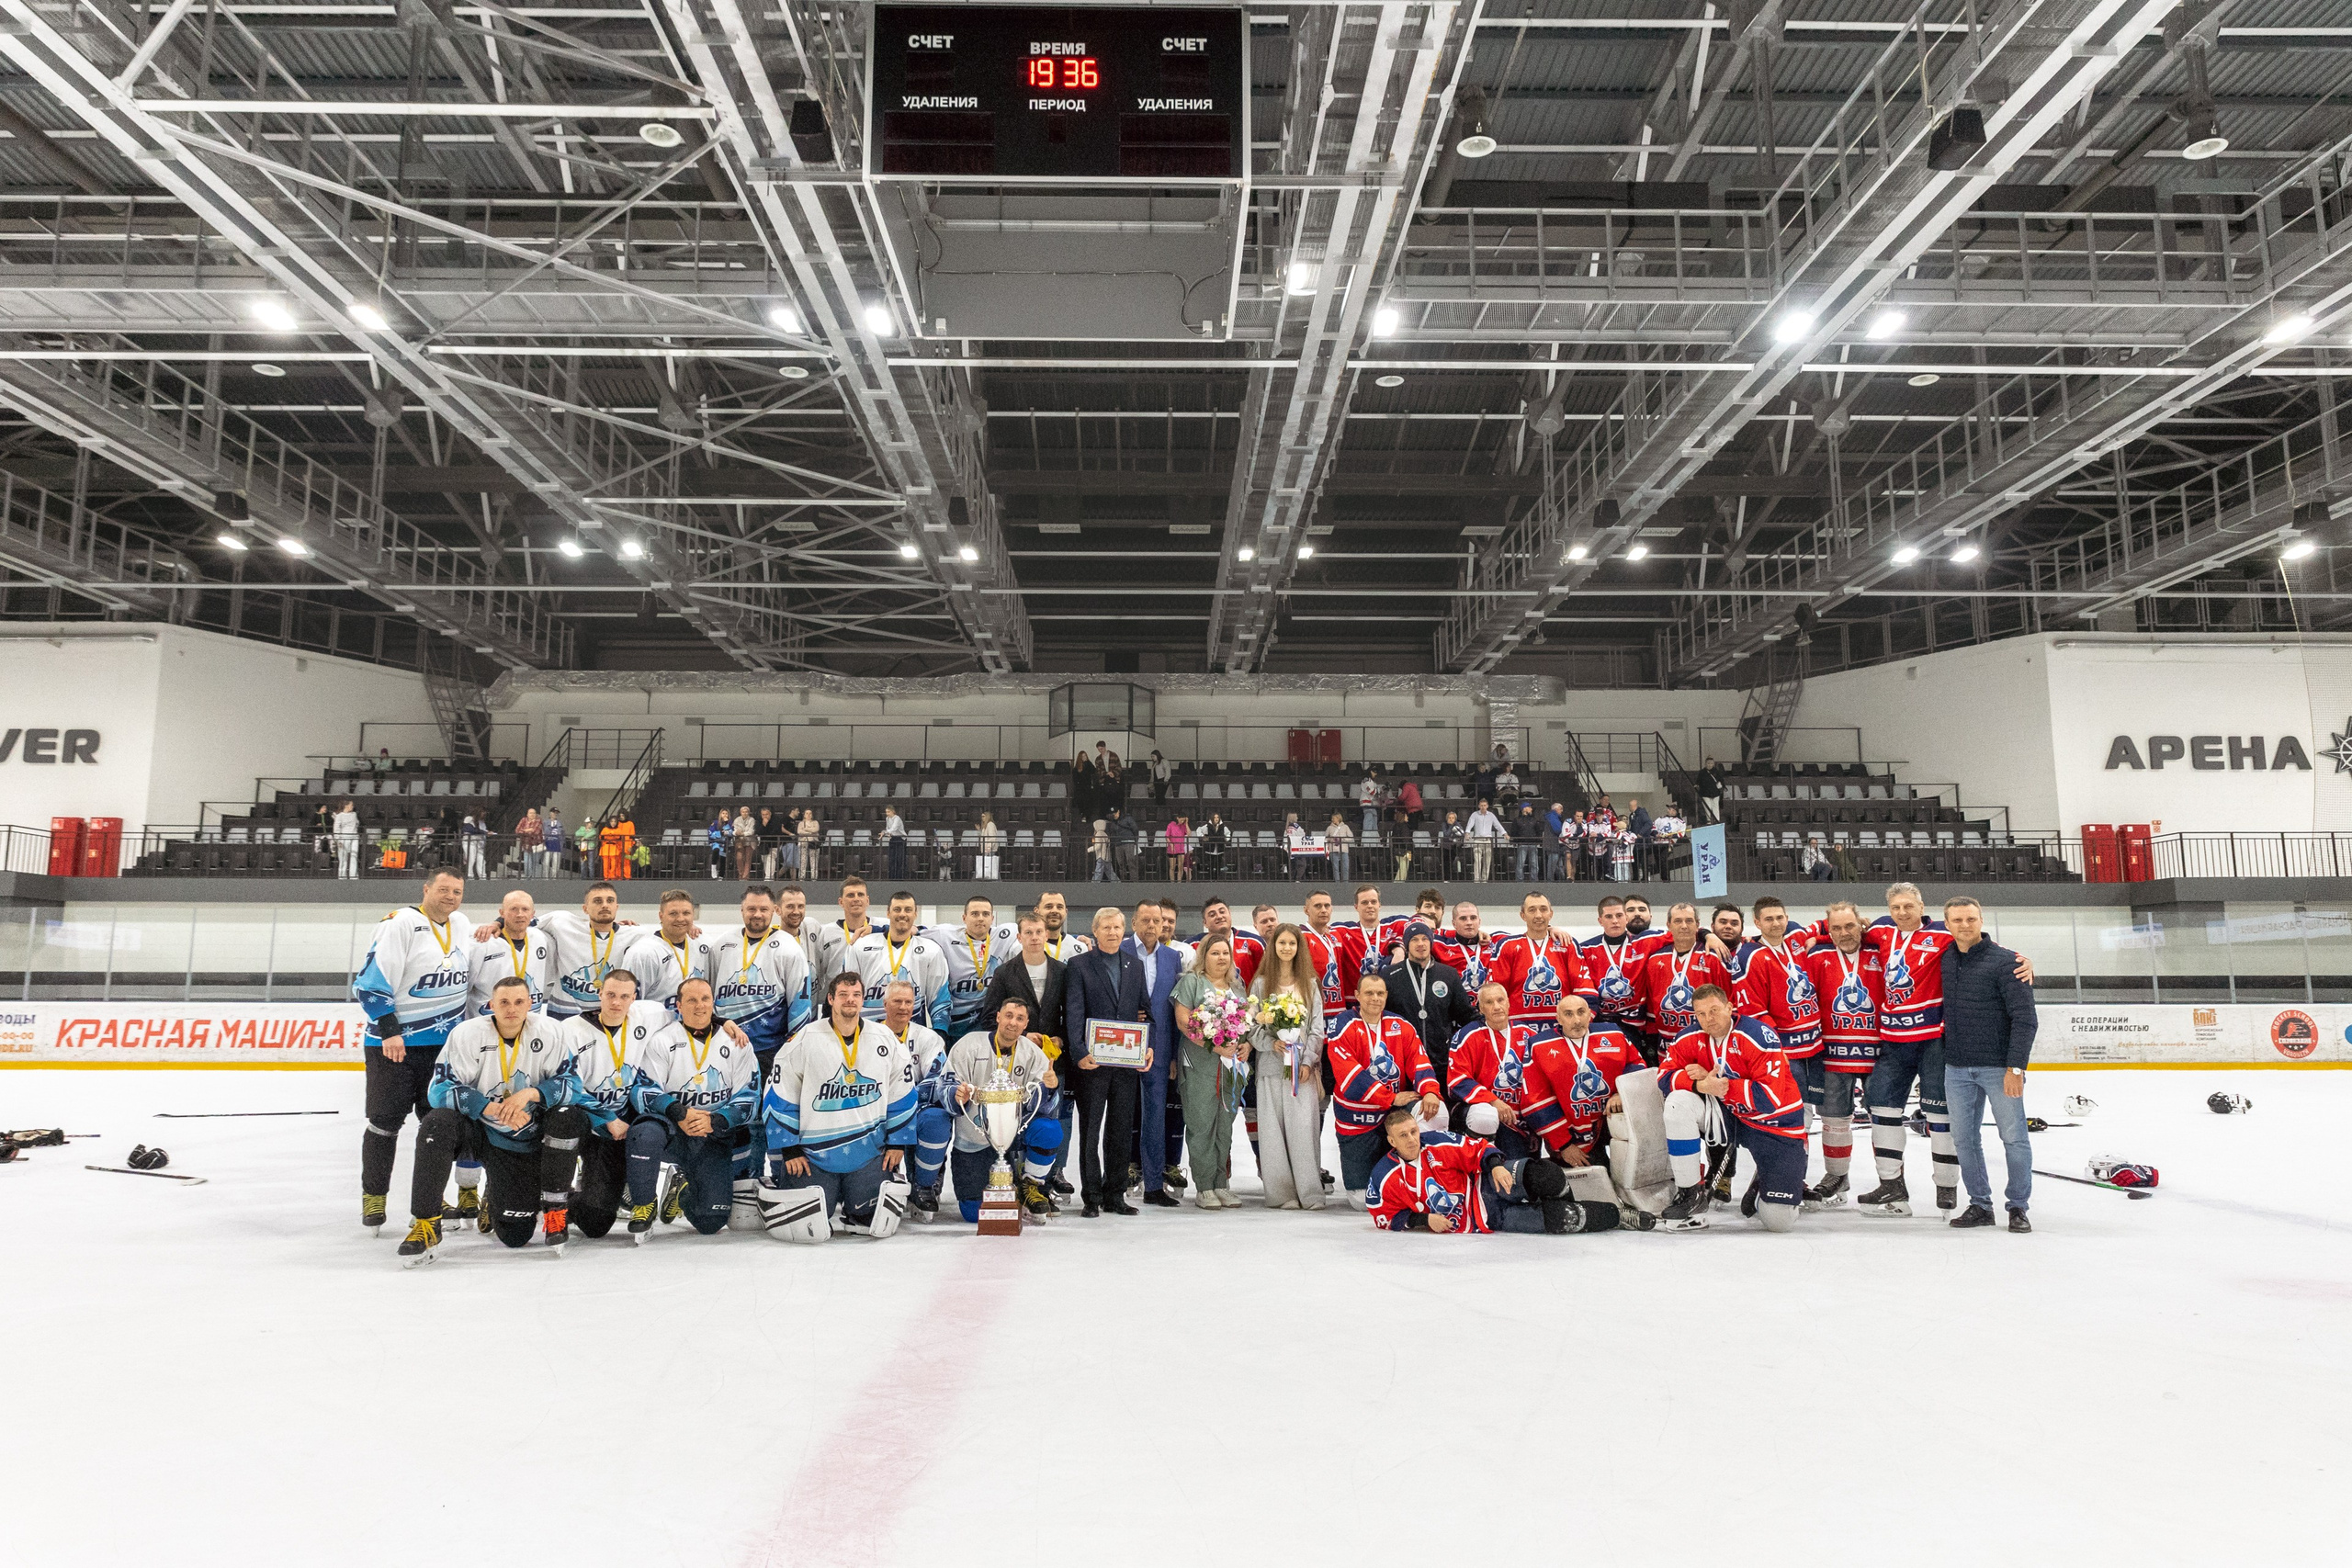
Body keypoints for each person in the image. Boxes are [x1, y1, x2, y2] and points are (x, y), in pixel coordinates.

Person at [398, 976, 572, 1263]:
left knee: (515, 1236)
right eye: (504, 1002)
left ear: (531, 1004)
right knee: (436, 1122)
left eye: (519, 1001)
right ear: (491, 1005)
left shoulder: (551, 1032)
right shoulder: (467, 1034)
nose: (511, 1008)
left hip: (523, 1138)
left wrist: (531, 1094)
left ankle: (495, 1193)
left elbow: (572, 1085)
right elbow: (438, 1090)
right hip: (479, 1132)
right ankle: (426, 1223)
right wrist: (489, 1108)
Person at [354, 869, 476, 1232]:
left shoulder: (462, 923)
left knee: (438, 1125)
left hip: (443, 1048)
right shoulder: (400, 923)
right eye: (443, 889)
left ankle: (431, 1199)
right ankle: (374, 1198)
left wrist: (499, 923)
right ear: (426, 889)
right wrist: (389, 1031)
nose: (450, 896)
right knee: (385, 1123)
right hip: (396, 1046)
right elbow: (370, 983)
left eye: (457, 891)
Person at [755, 972, 918, 1242]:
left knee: (870, 1217)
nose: (850, 1000)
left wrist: (898, 1142)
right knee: (807, 1223)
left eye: (856, 995)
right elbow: (779, 1091)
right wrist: (790, 1149)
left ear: (863, 1000)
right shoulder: (806, 1038)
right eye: (843, 995)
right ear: (830, 999)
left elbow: (903, 1089)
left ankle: (858, 1200)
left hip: (869, 1152)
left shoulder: (886, 1039)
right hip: (812, 1156)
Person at [1654, 984, 1805, 1232]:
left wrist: (1720, 1086)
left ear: (1729, 1007)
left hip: (1774, 1123)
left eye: (1714, 1010)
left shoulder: (1758, 1036)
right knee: (1678, 1103)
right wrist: (1699, 1084)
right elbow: (1663, 1077)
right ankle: (1690, 1194)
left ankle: (1764, 1181)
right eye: (1701, 1014)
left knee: (1779, 1222)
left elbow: (1769, 1098)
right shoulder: (1688, 1037)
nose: (1708, 1019)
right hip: (1729, 1115)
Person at [548, 967, 679, 1249]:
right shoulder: (570, 1030)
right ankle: (548, 1198)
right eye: (610, 995)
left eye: (624, 996)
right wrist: (606, 1117)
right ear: (599, 994)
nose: (616, 1002)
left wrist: (723, 1022)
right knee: (561, 1121)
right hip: (588, 1121)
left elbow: (692, 1013)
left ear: (634, 998)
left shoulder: (650, 1014)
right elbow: (568, 1084)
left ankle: (633, 1186)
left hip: (622, 1126)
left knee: (596, 1223)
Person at [630, 976, 762, 1237]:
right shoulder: (662, 1040)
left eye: (705, 999)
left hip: (712, 1132)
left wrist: (715, 1120)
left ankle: (681, 1189)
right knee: (644, 1133)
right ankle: (643, 1202)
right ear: (678, 1005)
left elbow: (750, 1098)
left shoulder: (736, 1042)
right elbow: (643, 1090)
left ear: (713, 1002)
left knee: (710, 1222)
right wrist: (679, 1113)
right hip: (674, 1127)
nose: (699, 1006)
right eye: (691, 1000)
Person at [1939, 897, 2039, 1232]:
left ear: (1981, 920)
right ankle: (1980, 1205)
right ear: (1947, 925)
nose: (1964, 925)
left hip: (1998, 1068)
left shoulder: (2007, 962)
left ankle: (2018, 1207)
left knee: (2014, 1138)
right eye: (1957, 920)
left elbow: (2025, 1019)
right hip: (1957, 1068)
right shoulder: (1944, 958)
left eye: (1971, 919)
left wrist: (2015, 1068)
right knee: (1964, 1140)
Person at [1366, 1107, 1623, 1236]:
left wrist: (1496, 1165)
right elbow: (1382, 1215)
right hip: (1488, 1218)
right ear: (1391, 1141)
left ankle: (1574, 1200)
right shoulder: (1383, 1176)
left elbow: (1477, 1148)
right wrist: (1424, 1220)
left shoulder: (1436, 1141)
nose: (1412, 1139)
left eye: (1414, 1131)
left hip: (1486, 1183)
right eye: (1403, 1135)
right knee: (1564, 1219)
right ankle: (1619, 1216)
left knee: (1547, 1175)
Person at [933, 994, 1062, 1222]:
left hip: (1015, 1135)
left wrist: (1049, 1088)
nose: (1013, 1022)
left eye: (1020, 1018)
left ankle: (1030, 1186)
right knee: (974, 1214)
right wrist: (957, 1094)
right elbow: (945, 1084)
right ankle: (1007, 1189)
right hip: (975, 1138)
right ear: (998, 1017)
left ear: (1026, 1024)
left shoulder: (1032, 1053)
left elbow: (1043, 1106)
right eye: (1009, 1016)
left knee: (1049, 1129)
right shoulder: (969, 1045)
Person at [1063, 907, 1152, 1217]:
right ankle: (1091, 1197)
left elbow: (1145, 1012)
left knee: (1120, 1130)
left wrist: (1148, 1047)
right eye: (1106, 927)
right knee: (1090, 1131)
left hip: (1126, 1064)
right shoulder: (1079, 965)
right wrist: (1078, 1052)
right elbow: (1074, 1011)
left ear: (1124, 930)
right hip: (1092, 1063)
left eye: (1117, 927)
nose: (1113, 932)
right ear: (1095, 930)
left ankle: (1115, 1194)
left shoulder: (1134, 965)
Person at [1799, 900, 1886, 1210]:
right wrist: (1819, 935)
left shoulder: (1881, 949)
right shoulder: (1817, 954)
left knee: (1884, 1119)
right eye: (1836, 928)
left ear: (1861, 924)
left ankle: (1891, 1181)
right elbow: (1788, 939)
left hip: (1879, 1051)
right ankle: (1837, 1176)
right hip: (1833, 1052)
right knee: (1833, 1119)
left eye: (1850, 926)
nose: (1844, 933)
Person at [1326, 973, 1441, 1207]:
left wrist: (1430, 1090)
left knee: (1434, 1110)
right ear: (1357, 995)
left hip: (1393, 1111)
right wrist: (1390, 1097)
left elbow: (1418, 1059)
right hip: (1359, 1117)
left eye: (1380, 993)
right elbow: (1348, 1074)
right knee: (1361, 1200)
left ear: (1386, 996)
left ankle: (1425, 1179)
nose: (1375, 998)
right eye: (1369, 993)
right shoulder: (1342, 1024)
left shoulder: (1400, 1024)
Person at [1250, 922, 1326, 1210]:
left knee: (1304, 1130)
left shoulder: (1310, 983)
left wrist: (1307, 1060)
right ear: (1274, 946)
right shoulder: (1261, 984)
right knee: (1272, 1132)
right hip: (1270, 1068)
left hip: (1301, 1072)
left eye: (1291, 943)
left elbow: (1317, 1028)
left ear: (1299, 948)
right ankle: (1281, 1194)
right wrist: (1271, 1044)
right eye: (1281, 943)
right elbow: (1251, 1026)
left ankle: (1310, 1192)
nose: (1286, 948)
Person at [1171, 933, 1249, 1210]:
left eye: (1225, 953)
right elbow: (1183, 1022)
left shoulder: (1237, 986)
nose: (1221, 958)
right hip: (1199, 1065)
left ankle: (1221, 1183)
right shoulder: (1191, 982)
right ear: (1203, 956)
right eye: (1215, 953)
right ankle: (1204, 1187)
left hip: (1231, 1068)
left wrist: (1247, 1046)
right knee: (1202, 1126)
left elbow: (1247, 1024)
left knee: (1224, 1128)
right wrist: (1214, 1047)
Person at [709, 883, 813, 1080]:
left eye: (763, 909)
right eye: (751, 909)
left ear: (774, 911)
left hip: (770, 1049)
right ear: (742, 910)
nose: (757, 914)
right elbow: (709, 993)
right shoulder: (722, 945)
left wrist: (793, 1046)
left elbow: (800, 1002)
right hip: (726, 1046)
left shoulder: (788, 947)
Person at [1123, 900, 1189, 1204]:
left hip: (1160, 1049)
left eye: (1157, 921)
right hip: (1122, 1047)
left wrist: (1174, 1054)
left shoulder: (1173, 958)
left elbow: (1174, 1010)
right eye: (1146, 920)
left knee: (1155, 1119)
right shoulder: (1119, 950)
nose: (1152, 925)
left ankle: (1153, 1187)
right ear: (1134, 923)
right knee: (1120, 1118)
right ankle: (1115, 1183)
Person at [525, 881, 638, 1019]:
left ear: (616, 907)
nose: (605, 905)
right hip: (564, 1013)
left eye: (610, 901)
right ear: (585, 908)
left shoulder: (634, 934)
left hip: (605, 1016)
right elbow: (523, 922)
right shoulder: (561, 922)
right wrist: (500, 923)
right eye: (597, 901)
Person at [1634, 902, 1736, 1049]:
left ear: (1697, 925)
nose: (1684, 926)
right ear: (1669, 925)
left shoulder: (1714, 958)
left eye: (1689, 921)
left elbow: (1729, 999)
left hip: (1706, 1039)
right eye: (1678, 921)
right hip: (1666, 1041)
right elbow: (1652, 1002)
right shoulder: (1655, 959)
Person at [1385, 922, 1477, 1089]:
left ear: (1431, 942)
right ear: (1406, 945)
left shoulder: (1448, 974)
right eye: (1414, 940)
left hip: (1440, 1060)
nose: (1420, 944)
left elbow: (1464, 1014)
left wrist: (1489, 1022)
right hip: (1403, 1062)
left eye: (1424, 939)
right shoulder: (1390, 975)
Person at [847, 889, 952, 1032]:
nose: (902, 914)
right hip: (867, 1033)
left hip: (912, 1035)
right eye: (897, 909)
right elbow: (847, 991)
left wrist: (940, 1032)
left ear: (915, 914)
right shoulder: (860, 946)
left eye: (908, 910)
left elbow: (939, 998)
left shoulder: (931, 950)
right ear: (888, 913)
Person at [1487, 893, 1592, 1029]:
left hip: (1561, 1027)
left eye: (1543, 909)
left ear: (1551, 914)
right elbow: (1495, 992)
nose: (1538, 915)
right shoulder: (1507, 946)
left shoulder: (1567, 944)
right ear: (1523, 915)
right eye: (1532, 910)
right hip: (1518, 1027)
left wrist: (1581, 1022)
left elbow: (1583, 989)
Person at [623, 887, 717, 1011]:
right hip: (658, 1022)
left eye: (686, 913)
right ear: (661, 916)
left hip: (695, 1021)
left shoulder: (704, 945)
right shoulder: (643, 953)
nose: (680, 919)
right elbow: (630, 1003)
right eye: (673, 914)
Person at [468, 889, 556, 1014]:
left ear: (533, 914)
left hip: (529, 1020)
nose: (520, 914)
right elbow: (465, 987)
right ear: (502, 913)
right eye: (513, 909)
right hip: (487, 1020)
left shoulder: (541, 939)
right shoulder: (482, 942)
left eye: (525, 909)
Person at [936, 895, 1010, 1041]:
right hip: (956, 1021)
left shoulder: (1005, 934)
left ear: (992, 919)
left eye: (985, 914)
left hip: (988, 1021)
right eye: (975, 914)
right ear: (964, 918)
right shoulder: (944, 934)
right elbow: (912, 931)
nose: (980, 918)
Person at [1464, 799, 1504, 883]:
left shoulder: (1491, 815)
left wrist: (1504, 833)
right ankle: (1477, 879)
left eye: (1484, 805)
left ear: (1487, 806)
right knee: (1477, 861)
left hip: (1487, 840)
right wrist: (1467, 833)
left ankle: (1484, 879)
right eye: (1481, 805)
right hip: (1477, 840)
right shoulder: (1474, 815)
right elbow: (1470, 824)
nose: (1483, 807)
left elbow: (1498, 825)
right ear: (1479, 806)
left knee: (1487, 861)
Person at [1510, 800, 1544, 881]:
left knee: (1534, 864)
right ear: (1524, 809)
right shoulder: (1517, 820)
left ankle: (1533, 880)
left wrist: (1538, 839)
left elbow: (1538, 831)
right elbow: (1513, 832)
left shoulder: (1534, 819)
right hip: (1522, 844)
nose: (1531, 809)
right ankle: (1520, 880)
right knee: (1521, 864)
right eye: (1529, 807)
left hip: (1532, 844)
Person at [1623, 797, 1653, 881]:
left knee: (1643, 861)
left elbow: (1649, 823)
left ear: (1633, 806)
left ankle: (1645, 877)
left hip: (1642, 842)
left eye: (1630, 806)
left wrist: (1641, 833)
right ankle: (1636, 877)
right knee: (1635, 860)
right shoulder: (1632, 815)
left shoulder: (1641, 813)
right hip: (1635, 842)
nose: (1629, 807)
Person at [332, 798, 361, 880]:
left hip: (354, 838)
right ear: (346, 805)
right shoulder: (339, 816)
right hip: (344, 838)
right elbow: (336, 829)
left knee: (354, 857)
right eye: (351, 805)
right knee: (343, 859)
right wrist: (337, 840)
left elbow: (357, 823)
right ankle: (342, 877)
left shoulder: (354, 814)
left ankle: (353, 877)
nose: (353, 806)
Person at [1195, 811, 1230, 879]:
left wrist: (1226, 839)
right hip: (1210, 848)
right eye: (1214, 817)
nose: (1216, 819)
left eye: (1217, 817)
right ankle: (1210, 878)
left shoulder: (1223, 827)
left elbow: (1228, 834)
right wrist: (1203, 836)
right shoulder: (1207, 826)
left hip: (1219, 848)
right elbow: (1199, 830)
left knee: (1218, 864)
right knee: (1210, 865)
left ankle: (1217, 878)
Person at [1542, 800, 1568, 882]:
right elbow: (1558, 830)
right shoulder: (1553, 817)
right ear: (1556, 809)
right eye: (1561, 809)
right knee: (1553, 864)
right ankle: (1551, 880)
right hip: (1553, 844)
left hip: (1552, 844)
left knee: (1558, 865)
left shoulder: (1551, 817)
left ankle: (1561, 880)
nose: (1562, 811)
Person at [1357, 767, 1385, 845]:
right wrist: (1379, 790)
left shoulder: (1372, 781)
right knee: (1368, 819)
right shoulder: (1366, 780)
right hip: (1366, 803)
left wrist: (1382, 790)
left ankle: (1375, 837)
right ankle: (1367, 837)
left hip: (1372, 803)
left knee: (1374, 820)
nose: (1375, 774)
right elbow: (1372, 791)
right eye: (1374, 772)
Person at [1324, 810, 1354, 881]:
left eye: (1334, 818)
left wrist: (1342, 840)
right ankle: (1337, 882)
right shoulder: (1329, 828)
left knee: (1345, 867)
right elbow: (1325, 838)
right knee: (1335, 867)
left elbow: (1351, 837)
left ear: (1338, 818)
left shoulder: (1345, 827)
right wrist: (1331, 840)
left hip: (1343, 849)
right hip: (1333, 849)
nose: (1332, 820)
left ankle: (1345, 882)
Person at [731, 806, 759, 881]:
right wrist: (736, 833)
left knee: (748, 859)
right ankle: (741, 874)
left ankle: (745, 877)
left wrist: (742, 833)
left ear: (749, 812)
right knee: (739, 858)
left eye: (746, 812)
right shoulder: (737, 819)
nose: (745, 813)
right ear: (740, 812)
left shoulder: (752, 820)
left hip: (749, 841)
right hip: (740, 841)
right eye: (743, 812)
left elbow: (751, 831)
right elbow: (734, 830)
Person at [516, 807, 544, 878]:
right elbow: (517, 830)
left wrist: (524, 831)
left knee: (535, 863)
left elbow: (535, 832)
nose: (532, 814)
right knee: (527, 863)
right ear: (527, 814)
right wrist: (529, 830)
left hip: (536, 845)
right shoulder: (523, 820)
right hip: (526, 845)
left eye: (534, 813)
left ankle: (534, 879)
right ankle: (528, 878)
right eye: (530, 813)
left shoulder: (539, 820)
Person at [460, 813, 489, 880]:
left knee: (481, 860)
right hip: (470, 842)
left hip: (479, 843)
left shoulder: (482, 822)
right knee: (471, 858)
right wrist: (484, 832)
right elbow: (470, 829)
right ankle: (470, 876)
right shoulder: (469, 819)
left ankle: (483, 877)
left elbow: (480, 831)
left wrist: (486, 833)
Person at [976, 810, 1004, 879]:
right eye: (981, 816)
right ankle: (989, 877)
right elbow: (984, 836)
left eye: (983, 816)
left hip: (989, 849)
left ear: (987, 817)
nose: (982, 818)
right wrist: (979, 830)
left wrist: (989, 847)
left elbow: (992, 837)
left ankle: (991, 878)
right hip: (986, 848)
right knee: (988, 864)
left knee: (989, 864)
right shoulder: (986, 826)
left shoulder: (990, 824)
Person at [797, 807, 821, 880]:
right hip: (803, 843)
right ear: (804, 815)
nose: (808, 815)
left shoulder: (815, 822)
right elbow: (799, 831)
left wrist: (805, 829)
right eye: (807, 813)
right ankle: (801, 878)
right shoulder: (801, 823)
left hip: (813, 843)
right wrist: (811, 833)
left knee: (814, 862)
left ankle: (814, 878)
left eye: (810, 813)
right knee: (803, 862)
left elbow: (816, 829)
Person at [1164, 813, 1190, 882]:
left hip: (1181, 849)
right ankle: (1172, 882)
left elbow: (1189, 834)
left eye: (1183, 820)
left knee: (1180, 867)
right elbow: (1167, 837)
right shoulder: (1171, 825)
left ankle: (1179, 882)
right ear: (1177, 818)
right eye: (1181, 820)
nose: (1182, 821)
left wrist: (1186, 824)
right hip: (1172, 849)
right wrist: (1171, 844)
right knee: (1172, 867)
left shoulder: (1183, 826)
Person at [758, 807, 781, 880]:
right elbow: (758, 832)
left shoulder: (776, 821)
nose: (765, 816)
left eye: (766, 814)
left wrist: (766, 829)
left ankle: (768, 878)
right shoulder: (759, 821)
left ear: (770, 814)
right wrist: (764, 825)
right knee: (765, 860)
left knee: (770, 859)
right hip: (763, 845)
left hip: (773, 844)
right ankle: (770, 877)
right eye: (763, 815)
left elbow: (775, 832)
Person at [1090, 818, 1115, 882]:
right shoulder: (1105, 834)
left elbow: (1098, 846)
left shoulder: (1098, 834)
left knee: (1098, 871)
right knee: (1110, 872)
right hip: (1107, 856)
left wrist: (1089, 849)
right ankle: (1117, 882)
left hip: (1101, 856)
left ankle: (1094, 884)